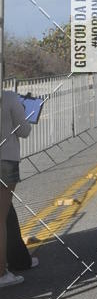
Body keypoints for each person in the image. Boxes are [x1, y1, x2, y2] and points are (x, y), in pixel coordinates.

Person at [0, 89, 33, 287]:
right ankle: (2, 272)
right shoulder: (9, 97)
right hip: (6, 160)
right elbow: (24, 130)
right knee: (1, 219)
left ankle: (16, 259)